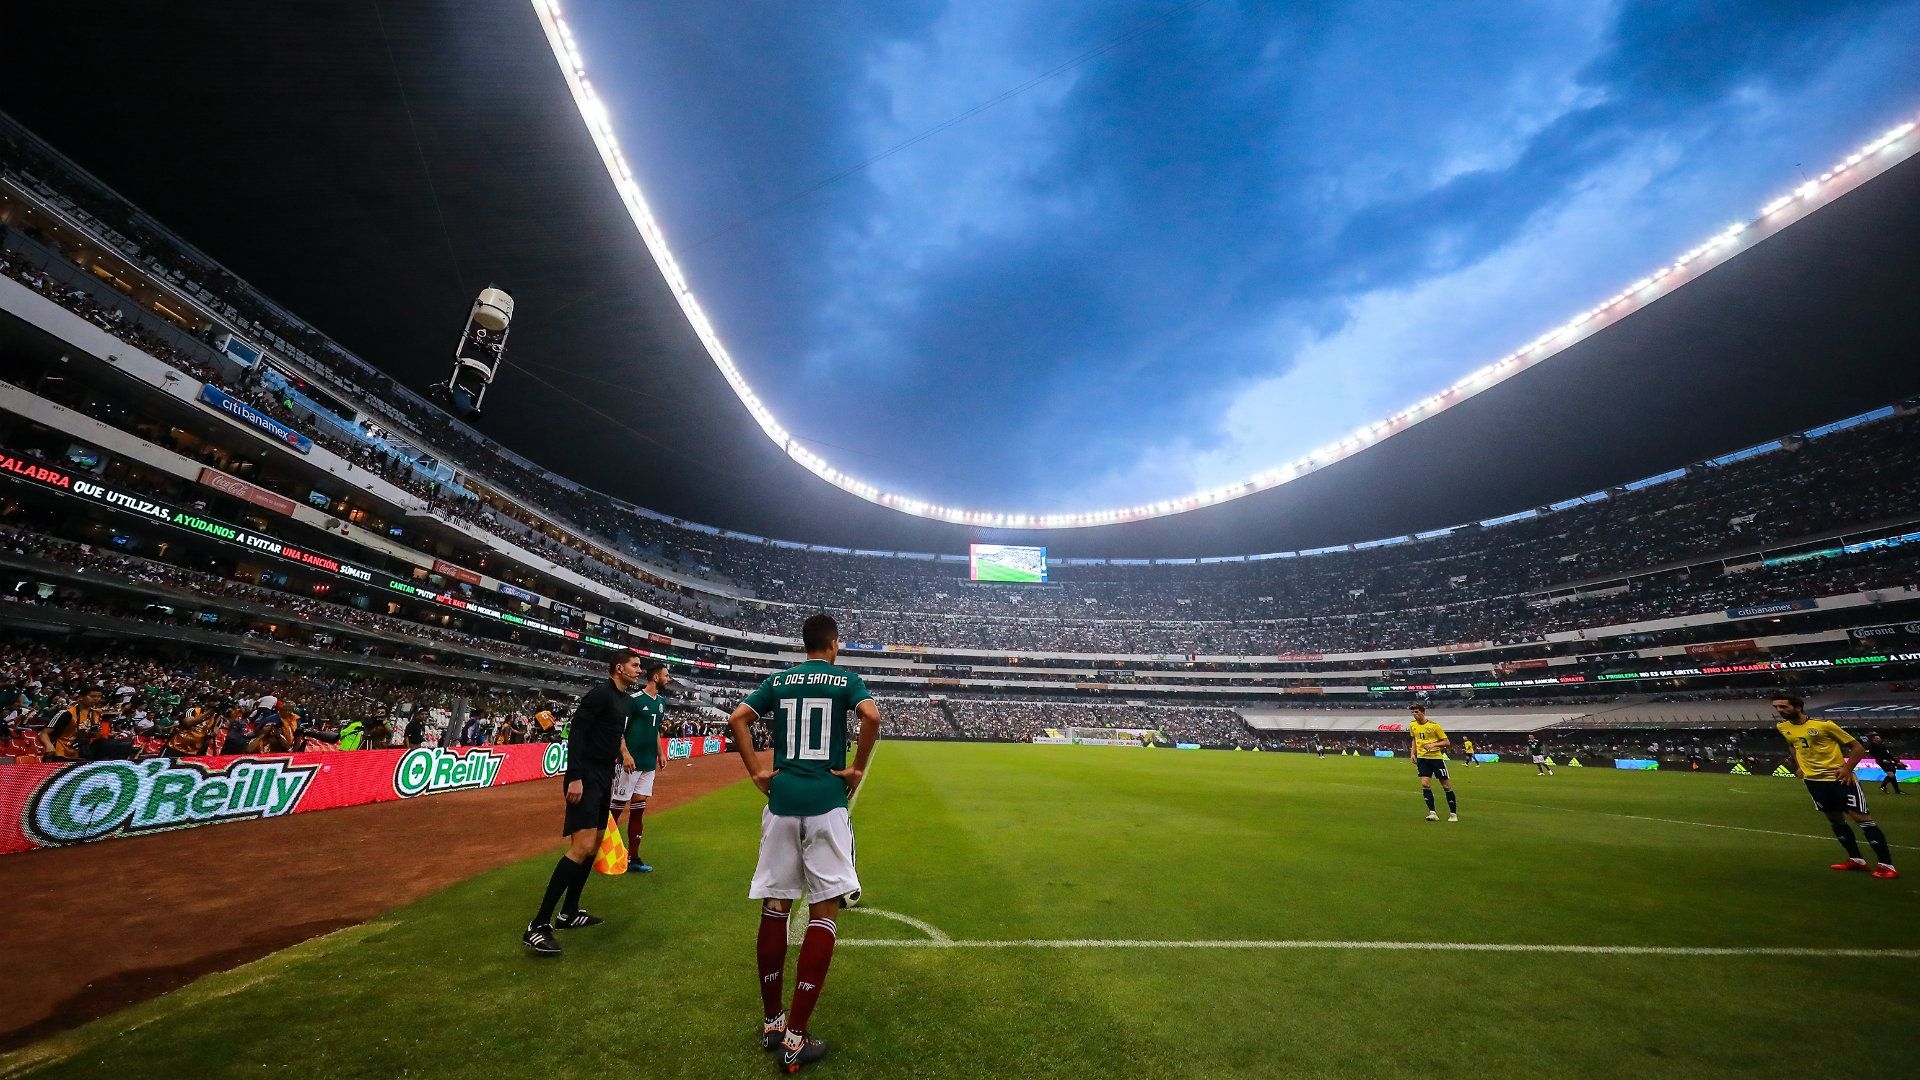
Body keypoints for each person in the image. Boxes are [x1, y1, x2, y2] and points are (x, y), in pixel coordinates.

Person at [726, 613, 880, 1074]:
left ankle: (772, 1022)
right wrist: (857, 766)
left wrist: (757, 771)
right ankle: (796, 1036)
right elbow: (871, 715)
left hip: (782, 799)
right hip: (825, 802)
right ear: (832, 644)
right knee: (824, 909)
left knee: (775, 905)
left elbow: (738, 718)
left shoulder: (779, 679)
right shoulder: (845, 679)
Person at [522, 652, 644, 956]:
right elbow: (576, 733)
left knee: (594, 845)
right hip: (586, 775)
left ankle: (569, 912)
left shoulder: (625, 702)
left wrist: (623, 754)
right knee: (580, 847)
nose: (638, 670)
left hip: (604, 776)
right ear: (619, 668)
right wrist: (575, 776)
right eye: (635, 665)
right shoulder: (600, 694)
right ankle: (537, 925)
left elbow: (614, 735)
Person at [1772, 694, 1897, 879]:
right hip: (1814, 781)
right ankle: (1856, 860)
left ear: (1798, 707)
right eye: (1776, 707)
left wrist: (1847, 769)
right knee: (1835, 819)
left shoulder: (1824, 726)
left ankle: (1887, 866)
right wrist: (1798, 766)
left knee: (1861, 818)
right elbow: (1793, 745)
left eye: (1783, 707)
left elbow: (1858, 748)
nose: (1779, 711)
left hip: (1839, 779)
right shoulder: (1783, 727)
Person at [613, 660, 669, 873]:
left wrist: (660, 752)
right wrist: (625, 753)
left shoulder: (662, 701)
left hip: (648, 764)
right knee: (615, 810)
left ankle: (633, 858)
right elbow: (619, 728)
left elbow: (654, 729)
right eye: (666, 676)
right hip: (630, 764)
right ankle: (603, 853)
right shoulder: (634, 700)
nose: (668, 679)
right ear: (655, 677)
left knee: (638, 812)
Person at [1408, 704, 1458, 821]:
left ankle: (1453, 814)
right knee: (1425, 784)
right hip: (1422, 759)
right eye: (1412, 713)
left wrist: (1434, 744)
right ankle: (1432, 813)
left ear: (1423, 712)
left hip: (1436, 759)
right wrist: (1412, 753)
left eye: (1416, 712)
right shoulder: (1412, 725)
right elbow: (1414, 739)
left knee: (1446, 785)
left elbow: (1446, 742)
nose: (1414, 714)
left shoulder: (1434, 726)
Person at [39, 686, 106, 763]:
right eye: (92, 696)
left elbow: (93, 734)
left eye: (99, 696)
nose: (96, 699)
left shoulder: (96, 714)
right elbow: (43, 733)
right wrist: (48, 745)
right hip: (61, 753)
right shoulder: (66, 713)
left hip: (81, 754)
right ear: (81, 697)